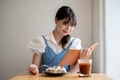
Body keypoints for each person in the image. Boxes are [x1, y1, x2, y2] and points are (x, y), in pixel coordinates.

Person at [28, 6, 92, 75]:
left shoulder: (74, 43)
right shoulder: (41, 41)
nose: (68, 28)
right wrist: (33, 69)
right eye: (65, 24)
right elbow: (34, 70)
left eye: (72, 25)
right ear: (56, 20)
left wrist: (82, 59)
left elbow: (72, 73)